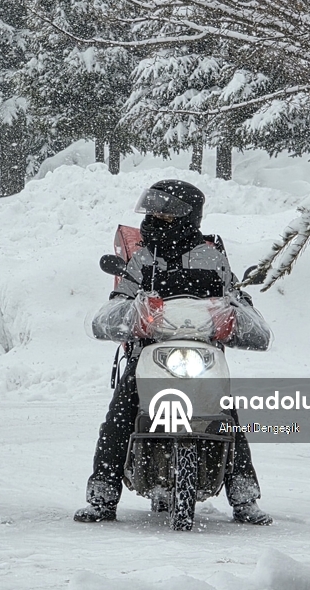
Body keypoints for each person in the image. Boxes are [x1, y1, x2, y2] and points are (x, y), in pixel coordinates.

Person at [75, 179, 274, 525]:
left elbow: (238, 298)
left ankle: (244, 497)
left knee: (228, 416)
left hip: (203, 350)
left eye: (164, 212)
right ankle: (103, 495)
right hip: (150, 350)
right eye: (152, 211)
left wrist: (233, 317)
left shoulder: (213, 258)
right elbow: (115, 305)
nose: (155, 217)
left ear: (187, 216)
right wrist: (132, 315)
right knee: (121, 411)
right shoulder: (140, 259)